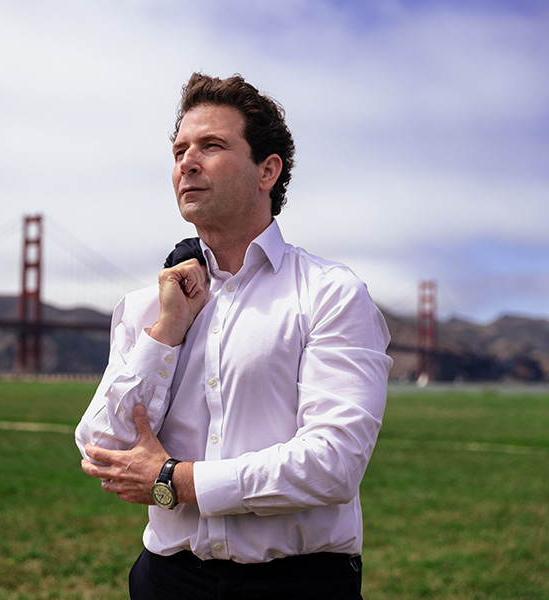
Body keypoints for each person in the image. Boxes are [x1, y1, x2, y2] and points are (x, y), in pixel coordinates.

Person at [75, 72, 392, 599]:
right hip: (165, 579)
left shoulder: (331, 294)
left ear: (267, 170)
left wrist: (177, 481)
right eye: (179, 150)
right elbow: (102, 447)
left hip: (297, 584)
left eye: (211, 146)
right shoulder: (147, 308)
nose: (187, 163)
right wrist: (167, 331)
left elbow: (335, 463)